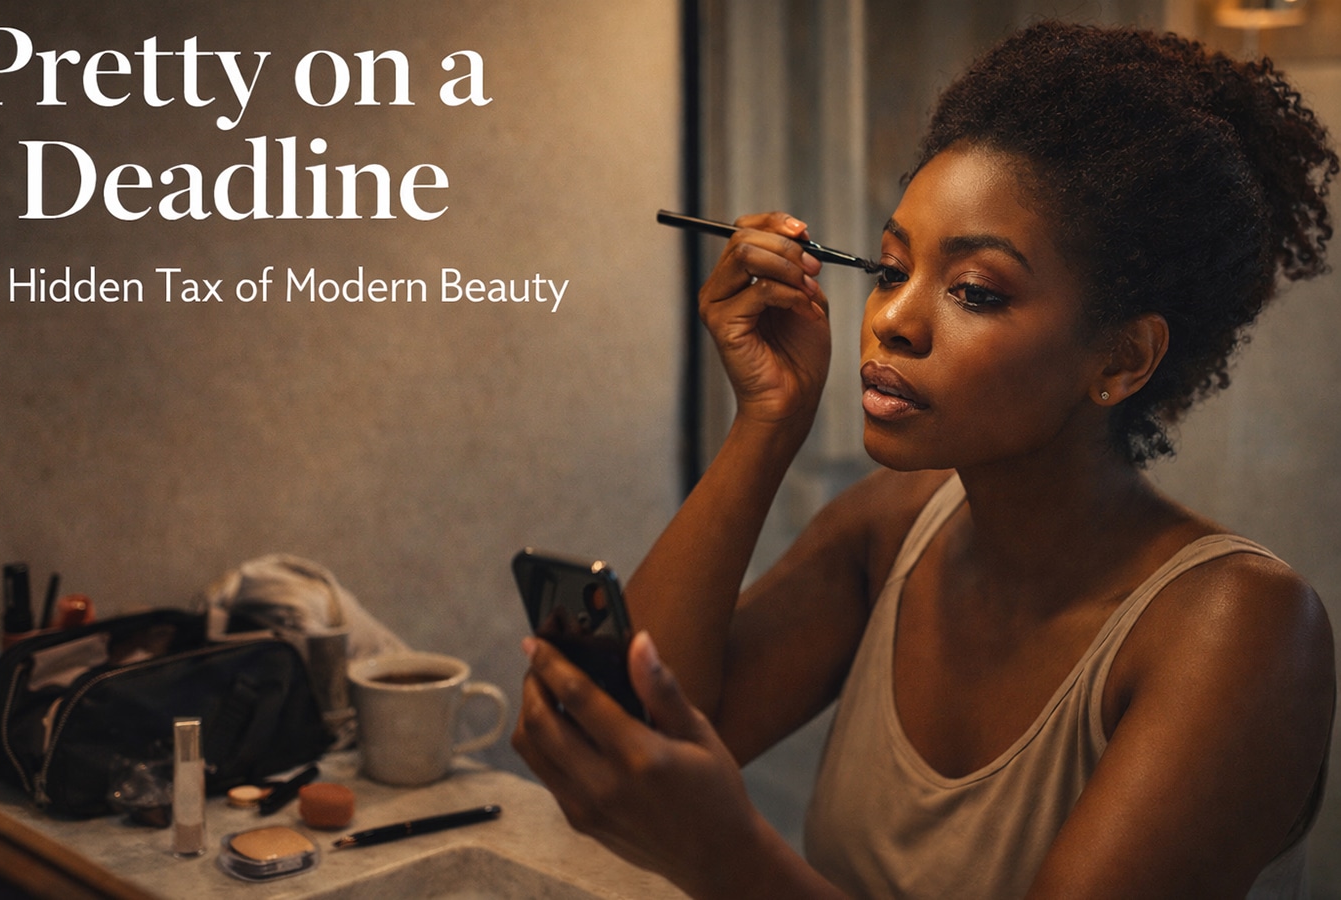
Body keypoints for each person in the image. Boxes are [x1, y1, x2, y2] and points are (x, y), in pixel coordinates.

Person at [512, 20, 1338, 900]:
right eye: (889, 265)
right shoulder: (891, 529)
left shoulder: (1239, 627)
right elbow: (629, 746)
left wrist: (728, 856)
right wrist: (765, 419)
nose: (893, 320)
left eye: (975, 290)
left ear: (1122, 359)